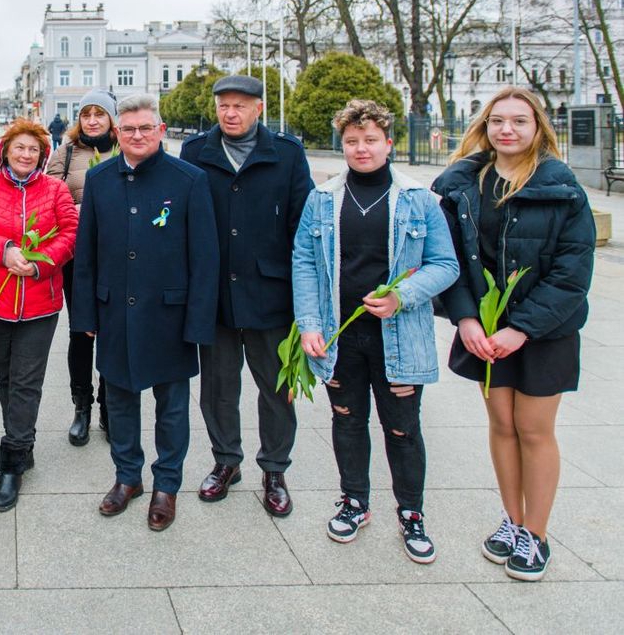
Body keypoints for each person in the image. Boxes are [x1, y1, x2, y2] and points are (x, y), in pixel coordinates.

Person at [433, 87, 595, 582]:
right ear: (485, 128)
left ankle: (537, 535)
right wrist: (465, 319)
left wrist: (521, 329)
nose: (508, 130)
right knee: (502, 424)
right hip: (484, 329)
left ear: (537, 128)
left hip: (544, 332)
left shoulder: (563, 188)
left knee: (533, 428)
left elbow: (572, 273)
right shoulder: (464, 186)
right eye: (498, 121)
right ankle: (513, 519)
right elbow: (451, 262)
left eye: (519, 121)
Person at [293, 99, 459, 564]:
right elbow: (304, 262)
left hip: (399, 338)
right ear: (341, 144)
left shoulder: (419, 200)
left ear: (389, 142)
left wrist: (402, 297)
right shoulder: (322, 199)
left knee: (402, 428)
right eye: (351, 141)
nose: (361, 149)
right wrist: (309, 324)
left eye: (370, 141)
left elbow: (445, 264)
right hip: (341, 335)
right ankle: (354, 501)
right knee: (347, 419)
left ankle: (411, 512)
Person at [72, 94, 218, 532]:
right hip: (114, 310)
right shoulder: (99, 179)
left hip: (169, 315)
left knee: (172, 407)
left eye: (145, 128)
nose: (137, 135)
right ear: (117, 133)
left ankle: (166, 485)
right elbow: (87, 253)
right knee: (119, 402)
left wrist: (197, 322)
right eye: (129, 129)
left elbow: (205, 256)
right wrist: (86, 317)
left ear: (160, 130)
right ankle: (127, 477)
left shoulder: (189, 179)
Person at [179, 74, 313, 515]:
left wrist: (305, 299)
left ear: (259, 108)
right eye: (223, 106)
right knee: (218, 386)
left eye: (240, 106)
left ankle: (274, 468)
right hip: (214, 293)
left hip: (270, 293)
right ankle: (226, 461)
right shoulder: (196, 152)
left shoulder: (287, 153)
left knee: (275, 388)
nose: (230, 114)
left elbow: (302, 225)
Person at [0, 118, 78, 512]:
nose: (26, 155)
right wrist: (4, 249)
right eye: (19, 147)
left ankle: (11, 461)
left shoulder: (56, 189)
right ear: (5, 150)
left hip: (41, 304)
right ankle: (23, 443)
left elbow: (70, 235)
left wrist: (41, 263)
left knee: (26, 382)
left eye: (34, 149)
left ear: (43, 155)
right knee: (6, 378)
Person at [45, 89, 118, 445]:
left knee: (111, 330)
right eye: (86, 114)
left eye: (99, 114)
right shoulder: (67, 151)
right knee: (80, 329)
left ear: (111, 119)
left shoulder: (123, 149)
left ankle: (108, 405)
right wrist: (72, 211)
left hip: (117, 256)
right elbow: (50, 194)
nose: (92, 120)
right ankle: (82, 406)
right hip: (76, 257)